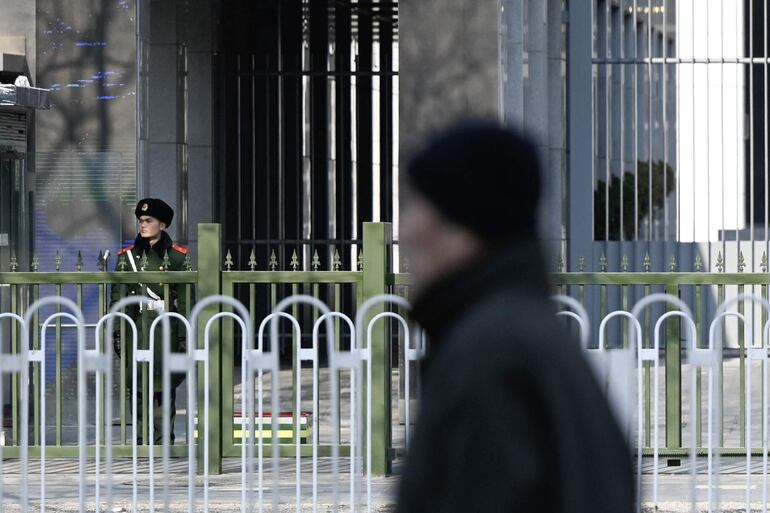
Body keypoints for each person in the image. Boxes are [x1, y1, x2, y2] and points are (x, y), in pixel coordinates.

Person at [397, 121, 634, 512]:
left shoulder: (489, 355)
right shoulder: (525, 331)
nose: (406, 233)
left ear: (468, 221)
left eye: (419, 208)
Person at [110, 198, 190, 445]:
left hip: (165, 328)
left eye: (149, 221)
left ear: (162, 224)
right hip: (137, 328)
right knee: (137, 386)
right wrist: (118, 332)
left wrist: (184, 337)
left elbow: (186, 301)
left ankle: (163, 440)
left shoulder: (177, 258)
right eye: (141, 221)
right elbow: (117, 299)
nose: (143, 225)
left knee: (165, 387)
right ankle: (142, 439)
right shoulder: (128, 258)